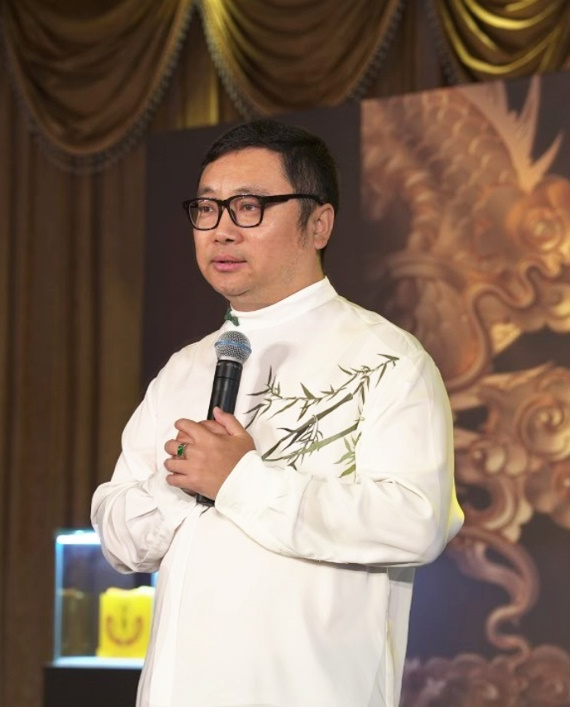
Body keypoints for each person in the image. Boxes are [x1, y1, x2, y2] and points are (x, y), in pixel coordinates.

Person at [91, 119, 463, 707]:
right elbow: (118, 537)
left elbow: (416, 521)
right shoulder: (185, 368)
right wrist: (183, 488)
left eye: (248, 207)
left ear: (319, 224)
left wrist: (240, 480)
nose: (221, 230)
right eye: (206, 209)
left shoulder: (388, 359)